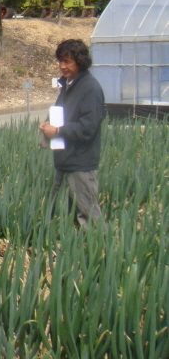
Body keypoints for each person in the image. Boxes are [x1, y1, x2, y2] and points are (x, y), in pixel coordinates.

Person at [39, 39, 105, 228]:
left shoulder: (90, 88)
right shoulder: (69, 85)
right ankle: (70, 249)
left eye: (67, 62)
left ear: (80, 61)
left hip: (80, 163)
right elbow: (63, 113)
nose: (62, 66)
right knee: (57, 211)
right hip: (64, 160)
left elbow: (88, 127)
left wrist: (58, 131)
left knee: (88, 216)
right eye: (60, 61)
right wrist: (47, 123)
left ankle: (101, 250)